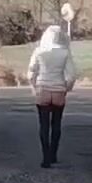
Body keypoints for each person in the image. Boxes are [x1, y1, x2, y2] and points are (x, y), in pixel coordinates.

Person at [27, 25, 77, 168]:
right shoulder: (65, 52)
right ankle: (54, 155)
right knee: (56, 124)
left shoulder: (39, 51)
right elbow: (72, 75)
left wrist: (34, 87)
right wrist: (67, 88)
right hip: (58, 89)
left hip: (43, 88)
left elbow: (31, 72)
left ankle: (46, 158)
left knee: (44, 125)